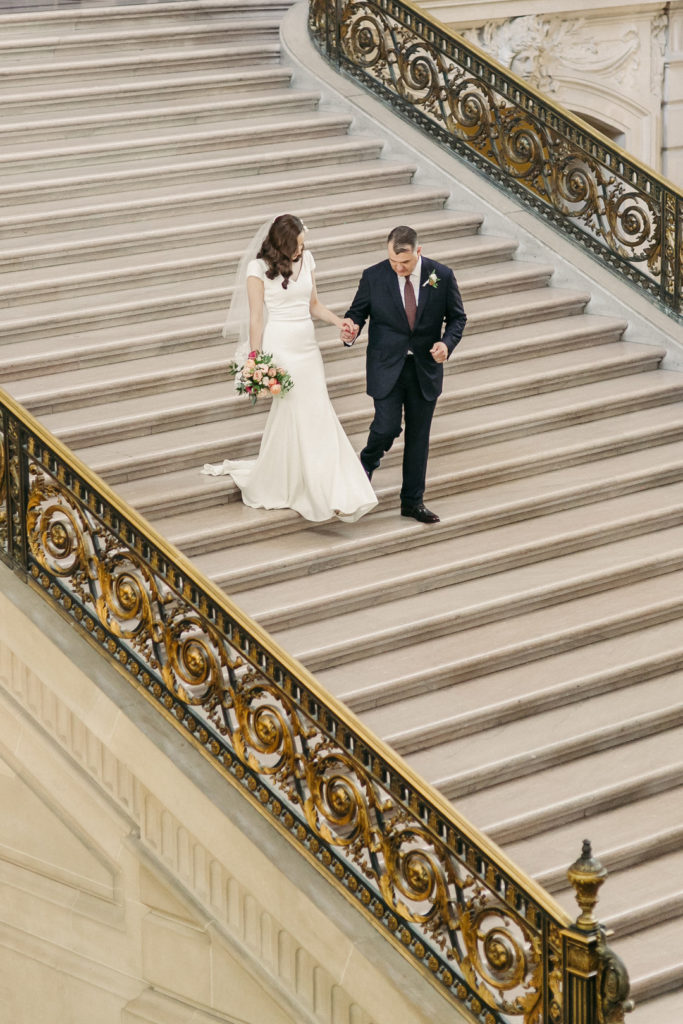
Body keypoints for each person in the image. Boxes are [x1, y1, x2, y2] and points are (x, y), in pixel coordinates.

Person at [202, 214, 377, 523]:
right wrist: (255, 359)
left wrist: (341, 322)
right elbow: (257, 317)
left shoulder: (307, 260)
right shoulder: (257, 269)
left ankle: (304, 479)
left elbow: (314, 306)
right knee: (302, 413)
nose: (302, 249)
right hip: (281, 348)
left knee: (316, 410)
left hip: (308, 349)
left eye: (303, 243)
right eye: (296, 245)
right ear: (282, 245)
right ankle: (322, 490)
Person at [342, 225, 467, 524]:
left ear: (418, 252)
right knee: (386, 427)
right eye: (393, 261)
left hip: (424, 368)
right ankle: (367, 461)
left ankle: (412, 501)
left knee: (418, 438)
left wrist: (446, 345)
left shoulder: (442, 275)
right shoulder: (373, 276)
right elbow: (357, 312)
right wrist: (351, 329)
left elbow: (457, 318)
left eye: (405, 263)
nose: (398, 267)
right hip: (386, 366)